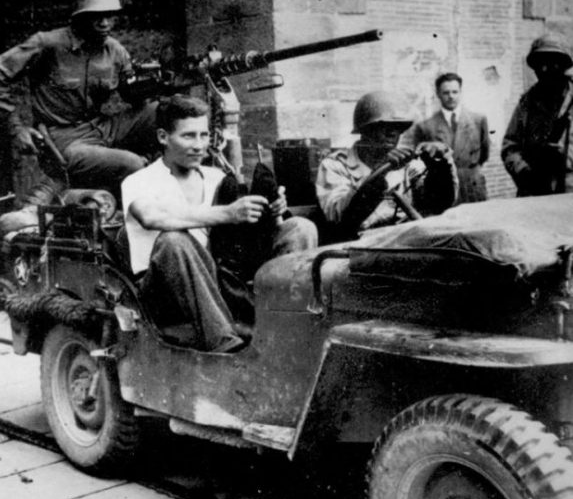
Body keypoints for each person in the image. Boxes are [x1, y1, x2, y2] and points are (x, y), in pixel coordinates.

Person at [122, 95, 317, 353]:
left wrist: (273, 209)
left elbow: (244, 233)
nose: (199, 145)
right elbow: (153, 217)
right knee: (174, 240)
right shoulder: (139, 181)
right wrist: (228, 213)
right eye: (189, 136)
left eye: (204, 136)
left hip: (217, 279)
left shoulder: (217, 177)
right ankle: (227, 346)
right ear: (162, 137)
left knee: (300, 228)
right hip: (163, 293)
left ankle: (289, 329)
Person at [0, 0, 157, 217]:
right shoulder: (48, 43)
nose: (105, 22)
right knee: (133, 164)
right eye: (97, 16)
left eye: (110, 15)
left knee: (163, 112)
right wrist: (17, 128)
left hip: (102, 127)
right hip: (64, 140)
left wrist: (153, 85)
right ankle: (139, 214)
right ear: (79, 16)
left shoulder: (115, 50)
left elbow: (131, 95)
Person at [315, 91, 458, 241]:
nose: (392, 133)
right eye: (383, 126)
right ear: (364, 130)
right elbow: (338, 217)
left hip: (404, 244)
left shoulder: (408, 166)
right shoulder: (335, 165)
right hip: (356, 249)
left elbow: (438, 204)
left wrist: (439, 169)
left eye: (397, 127)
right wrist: (378, 175)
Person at [398, 72, 490, 203]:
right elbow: (420, 165)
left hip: (472, 188)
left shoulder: (478, 120)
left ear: (460, 92)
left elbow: (484, 155)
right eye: (446, 93)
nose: (451, 97)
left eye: (455, 92)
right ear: (438, 94)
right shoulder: (425, 127)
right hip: (442, 191)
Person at [502, 34, 573, 196]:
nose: (545, 70)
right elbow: (510, 147)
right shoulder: (527, 103)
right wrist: (525, 173)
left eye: (553, 63)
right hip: (535, 189)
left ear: (563, 65)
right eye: (540, 64)